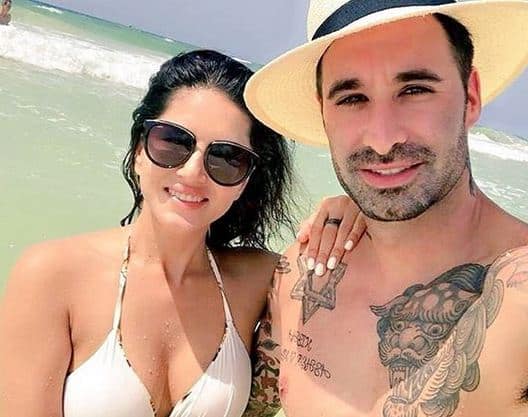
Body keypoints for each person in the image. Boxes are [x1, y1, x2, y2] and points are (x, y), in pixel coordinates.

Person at [242, 1, 528, 416]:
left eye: (414, 90)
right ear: (323, 113)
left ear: (471, 96)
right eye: (352, 98)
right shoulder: (303, 272)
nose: (382, 139)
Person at [0, 49, 364, 417]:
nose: (192, 172)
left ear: (245, 181)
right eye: (174, 141)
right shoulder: (54, 275)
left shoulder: (259, 281)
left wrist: (349, 212)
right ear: (139, 151)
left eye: (226, 157)